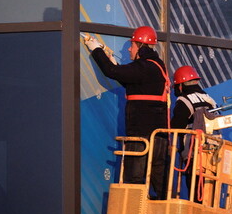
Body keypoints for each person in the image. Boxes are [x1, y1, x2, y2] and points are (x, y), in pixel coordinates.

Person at [84, 26, 170, 199]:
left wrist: (96, 50)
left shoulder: (144, 66)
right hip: (158, 136)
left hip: (141, 135)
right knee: (159, 182)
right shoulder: (156, 66)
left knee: (135, 179)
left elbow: (112, 72)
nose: (129, 49)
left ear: (140, 46)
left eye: (132, 45)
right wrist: (112, 62)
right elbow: (130, 80)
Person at [170, 65, 217, 201]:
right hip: (213, 152)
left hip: (194, 152)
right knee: (210, 191)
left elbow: (176, 126)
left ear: (180, 86)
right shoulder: (209, 99)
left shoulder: (184, 101)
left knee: (195, 190)